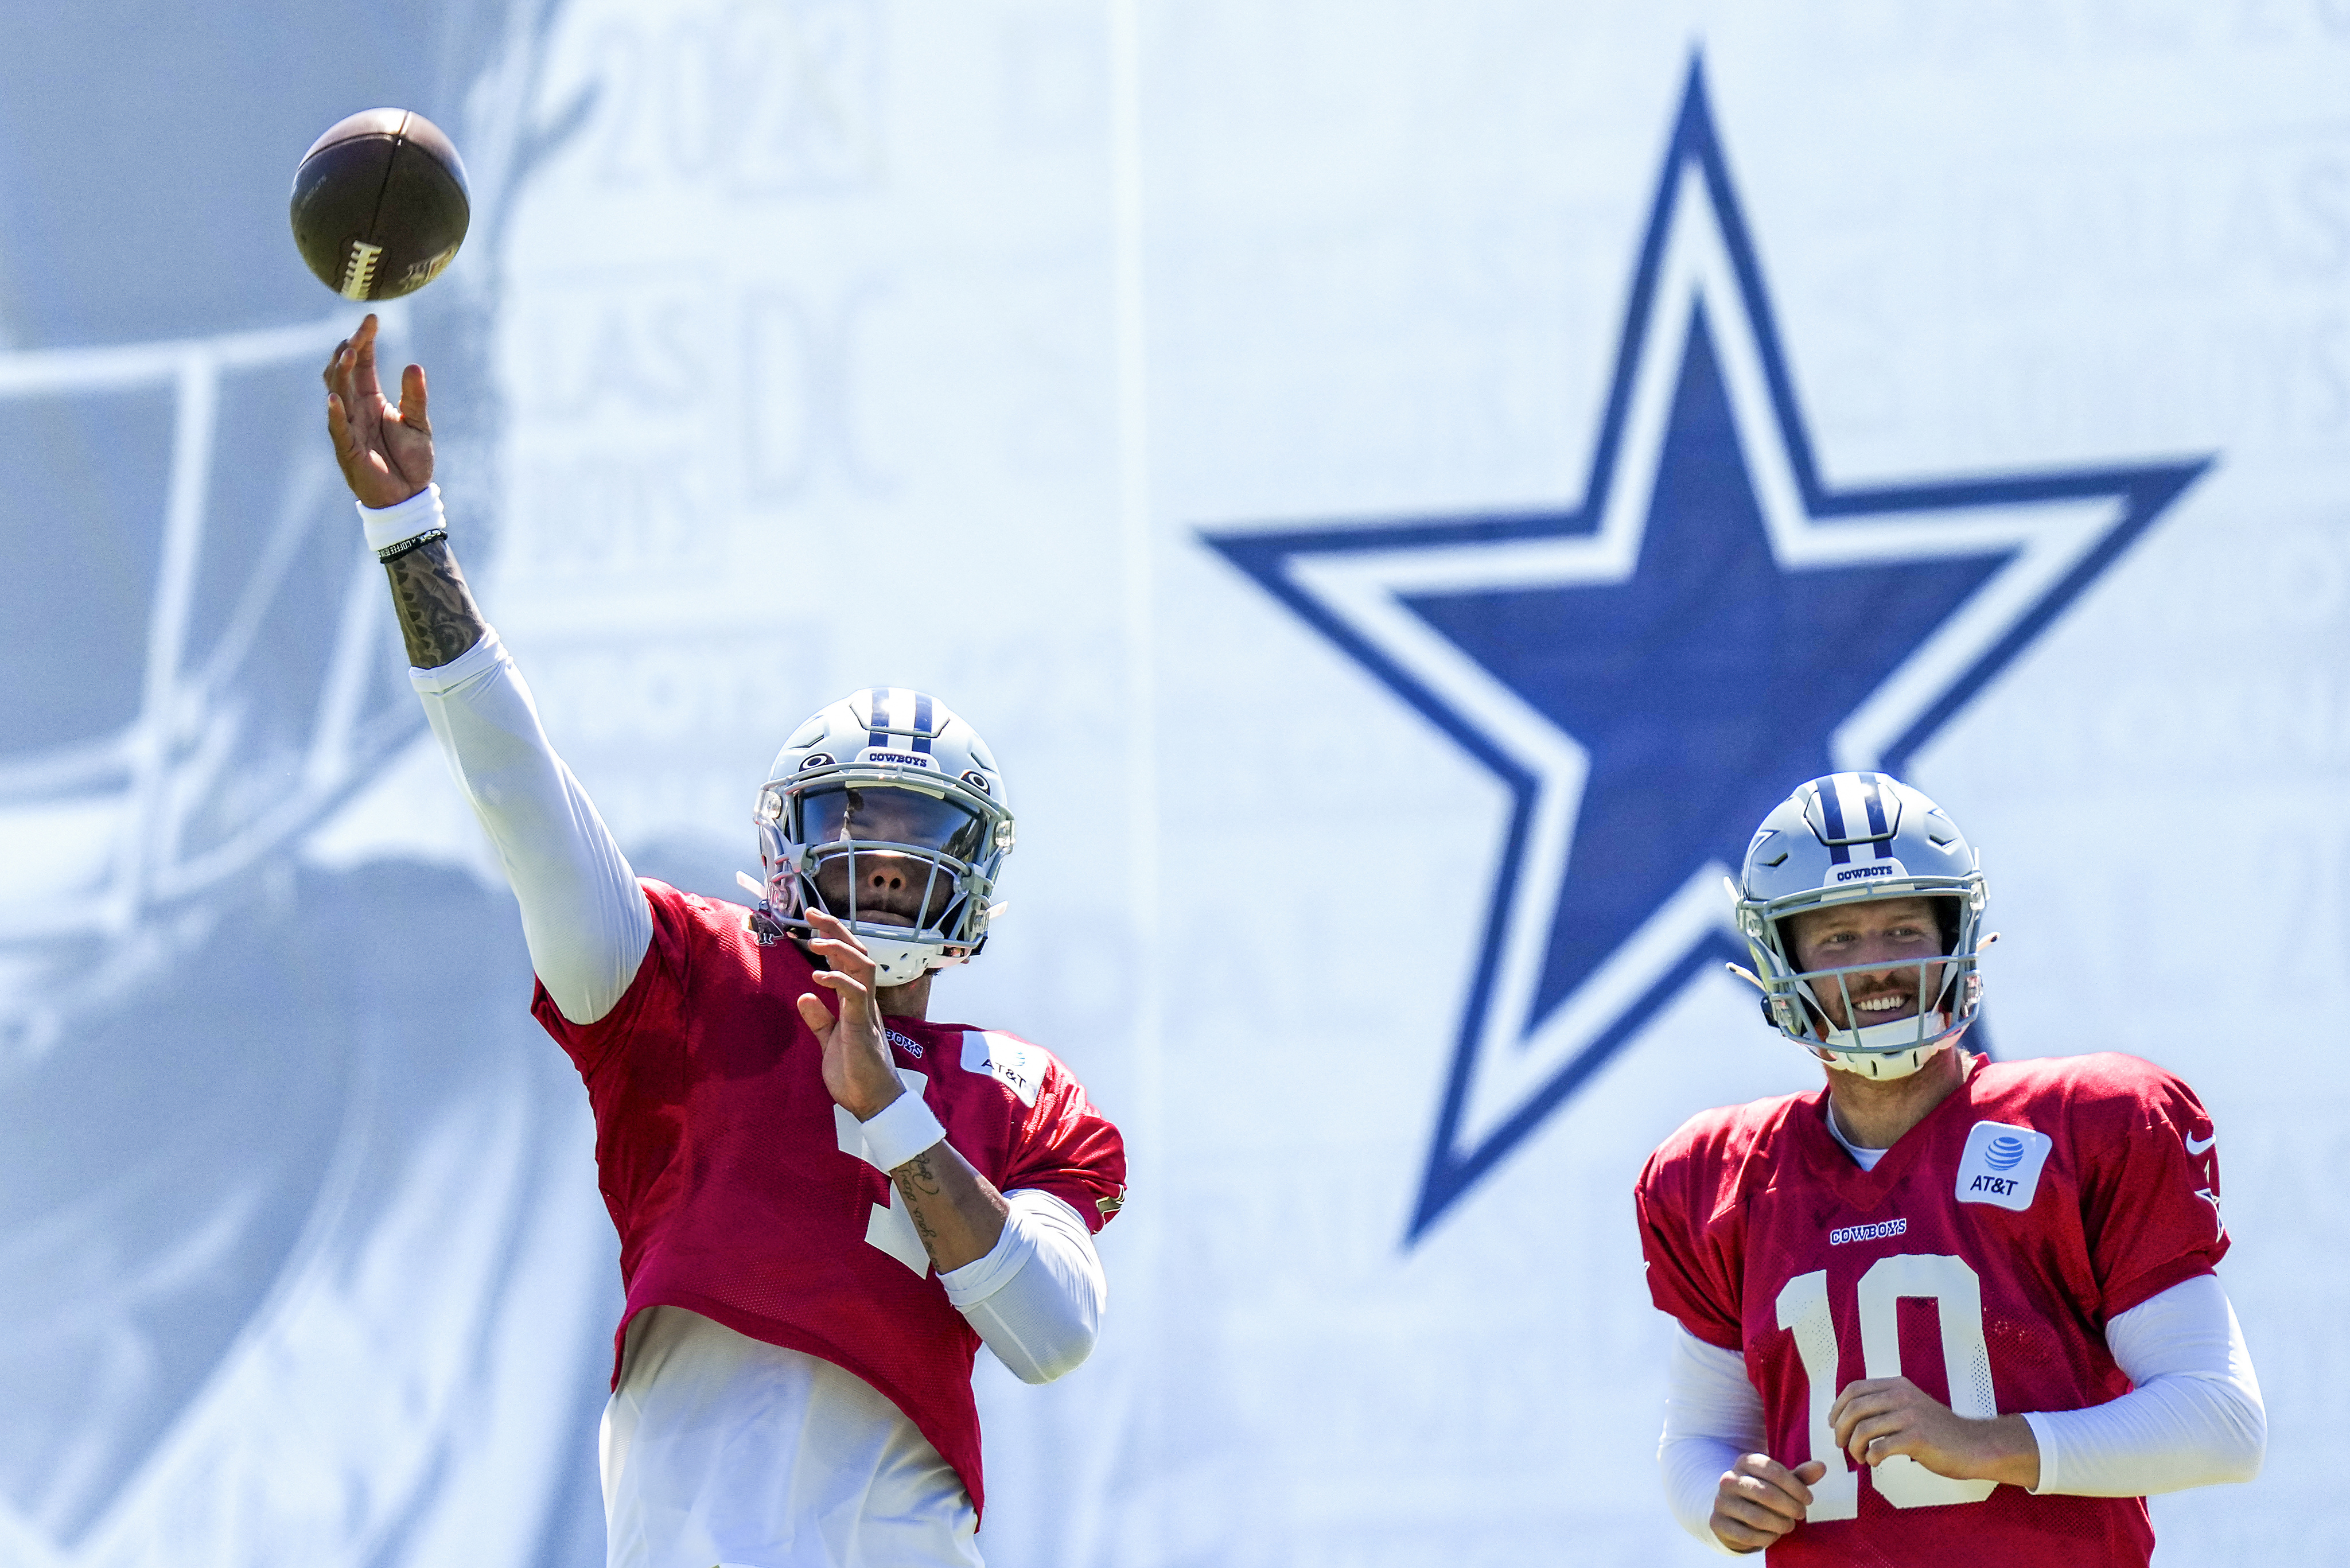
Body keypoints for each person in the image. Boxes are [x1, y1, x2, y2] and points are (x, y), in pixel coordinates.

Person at [322, 314, 1126, 1568]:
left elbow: (1052, 1332)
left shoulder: (1022, 1090)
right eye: (853, 829)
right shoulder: (695, 983)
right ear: (787, 847)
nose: (883, 865)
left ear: (967, 881)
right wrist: (409, 538)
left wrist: (894, 1116)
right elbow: (524, 801)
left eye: (915, 841)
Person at [1635, 772, 2263, 1564]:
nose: (1875, 967)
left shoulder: (2088, 1122)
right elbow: (1700, 1438)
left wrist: (1984, 1443)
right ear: (1779, 959)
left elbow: (2222, 1422)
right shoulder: (1719, 1177)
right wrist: (1720, 1497)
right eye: (1836, 938)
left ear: (1955, 935)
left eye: (1903, 929)